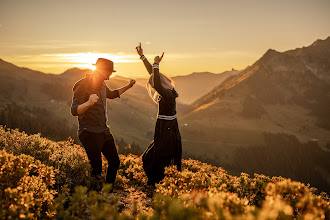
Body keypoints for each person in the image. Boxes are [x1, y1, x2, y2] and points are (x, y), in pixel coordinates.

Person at [71, 58, 136, 188]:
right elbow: (74, 110)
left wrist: (128, 86)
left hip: (103, 130)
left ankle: (107, 194)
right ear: (101, 71)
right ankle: (94, 200)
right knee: (96, 170)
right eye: (108, 72)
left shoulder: (101, 84)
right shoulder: (82, 85)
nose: (109, 76)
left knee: (115, 161)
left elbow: (112, 94)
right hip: (89, 132)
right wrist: (88, 103)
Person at [136, 43, 182, 185]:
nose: (154, 89)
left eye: (154, 86)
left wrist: (156, 64)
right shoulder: (167, 91)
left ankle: (157, 183)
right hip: (165, 128)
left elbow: (155, 80)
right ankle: (157, 182)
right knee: (152, 156)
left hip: (166, 129)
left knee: (158, 157)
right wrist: (142, 57)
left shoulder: (168, 94)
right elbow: (154, 75)